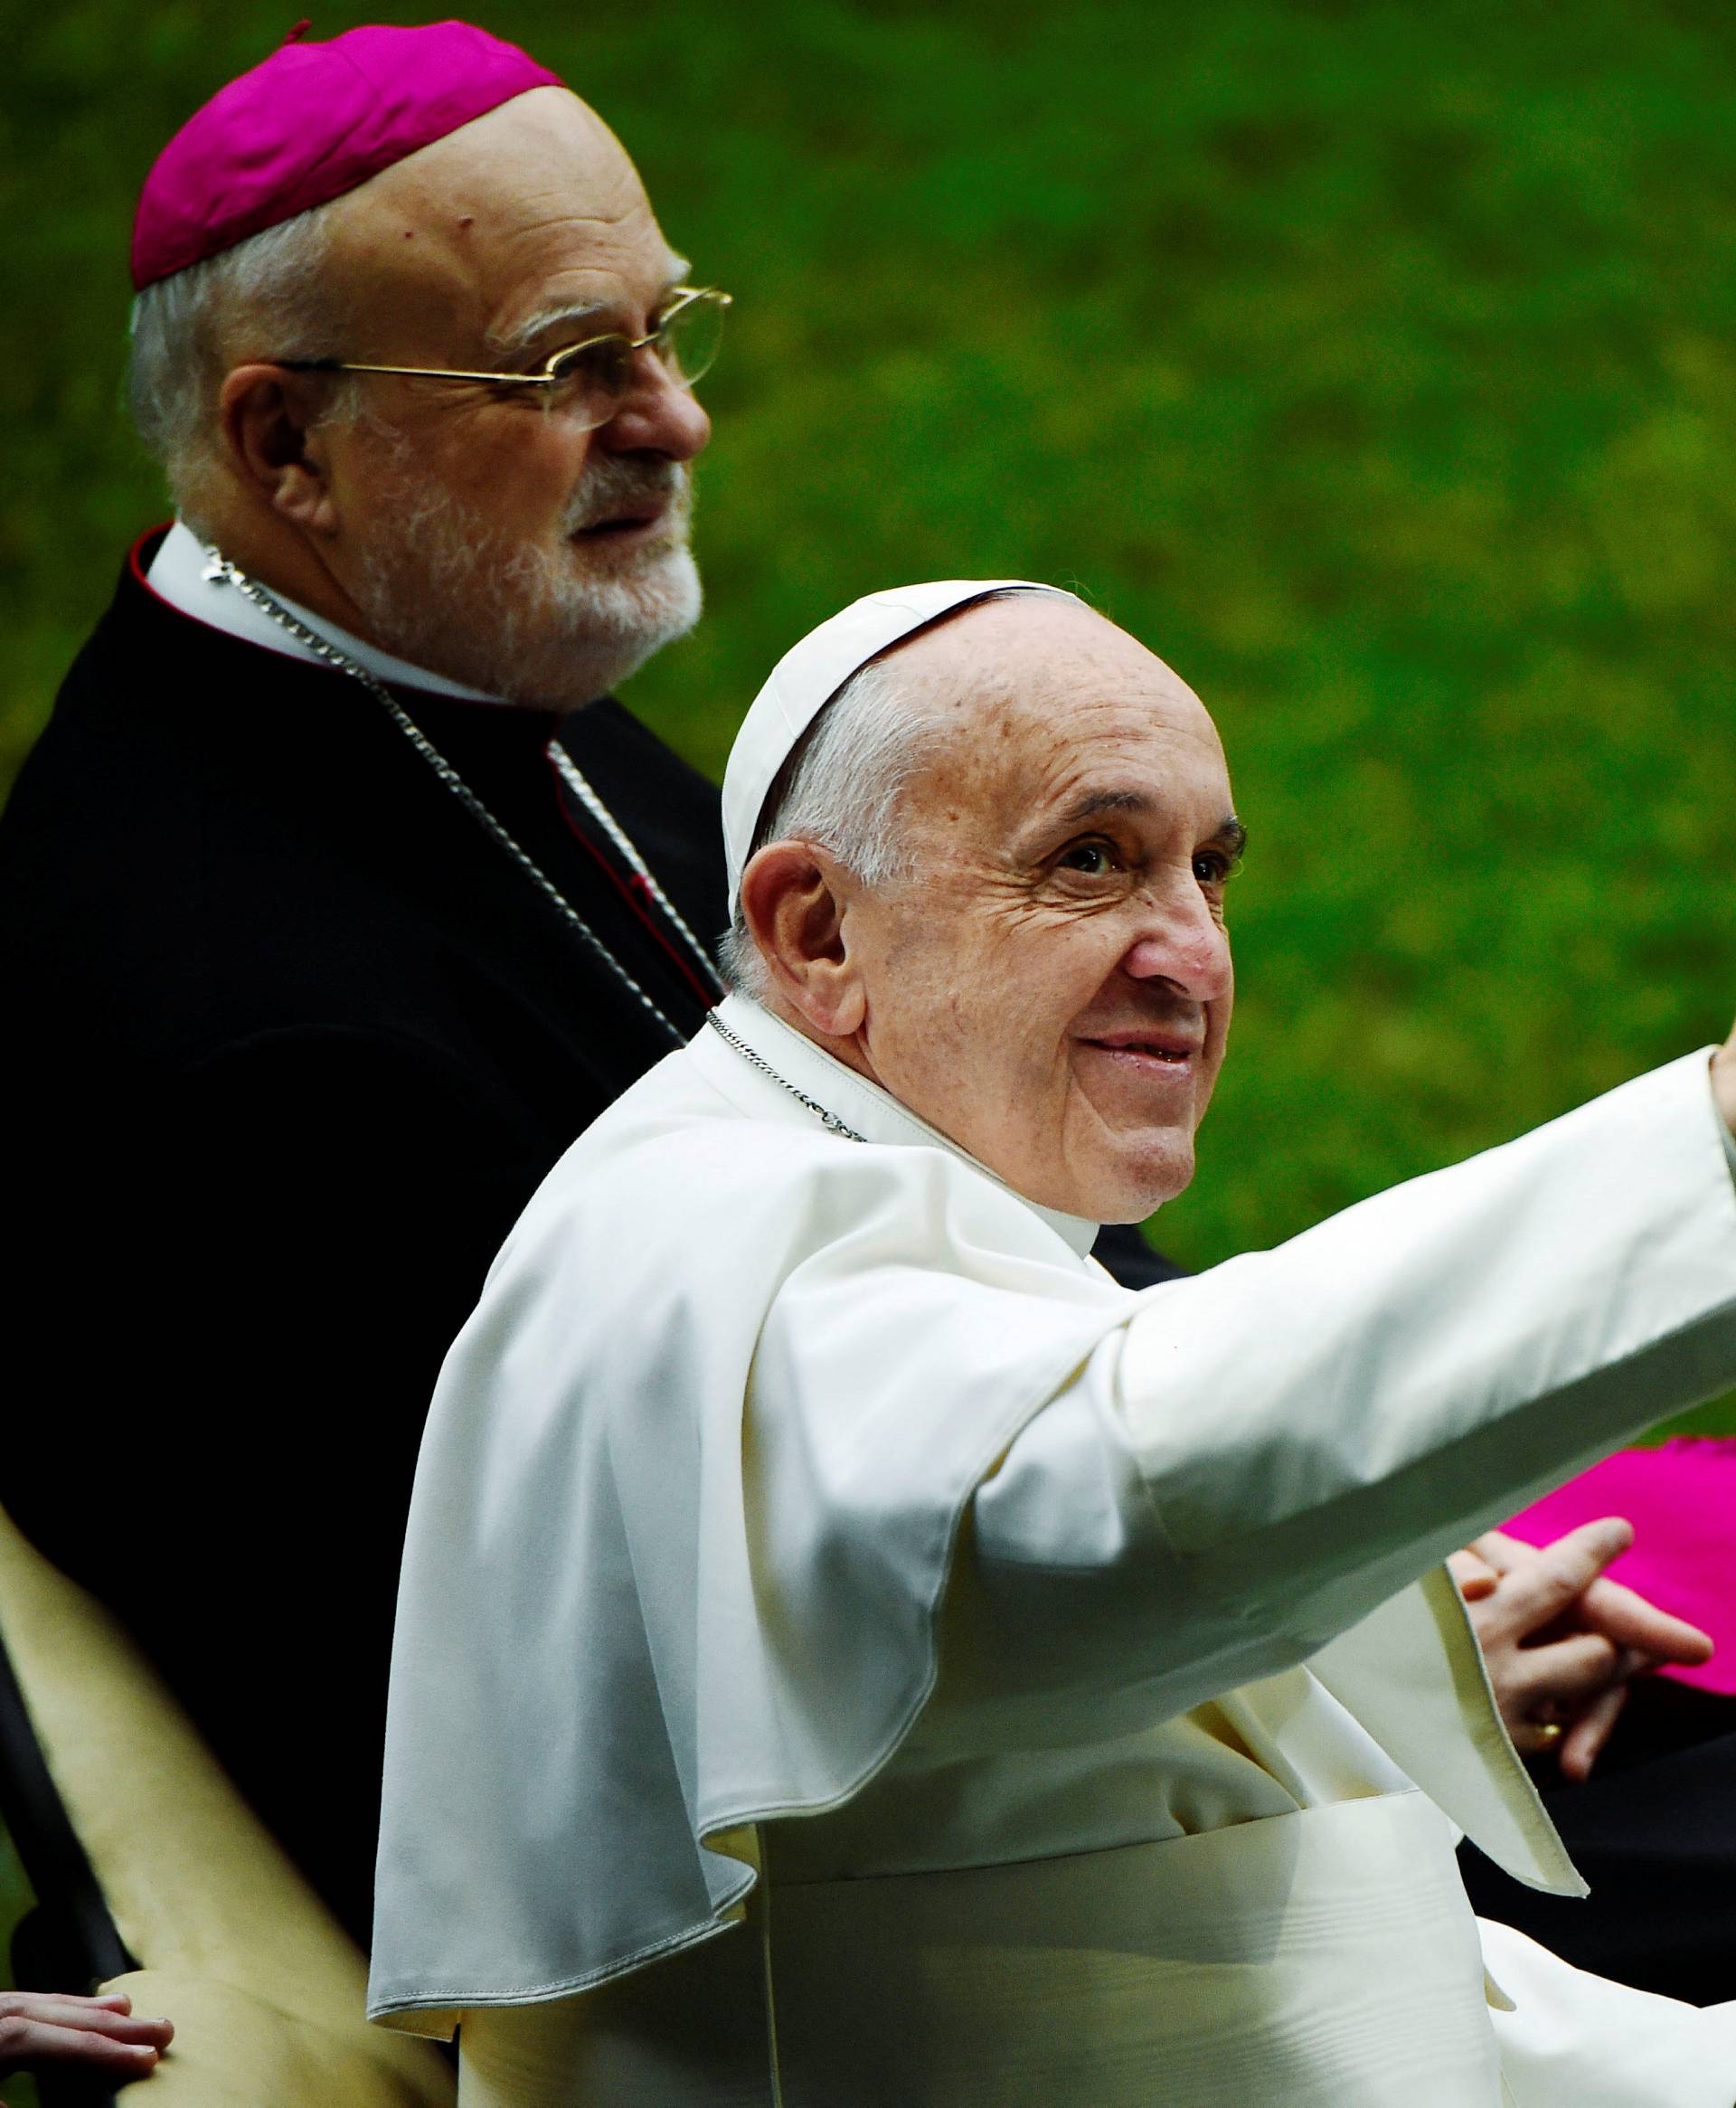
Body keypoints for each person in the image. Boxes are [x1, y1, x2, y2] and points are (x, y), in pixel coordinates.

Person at [370, 581, 1736, 2106]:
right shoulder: (722, 1250)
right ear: (816, 932)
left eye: (1209, 872)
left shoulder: (881, 1178)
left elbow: (1345, 1975)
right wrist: (1714, 1157)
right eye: (1091, 861)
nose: (1193, 958)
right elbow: (1103, 1498)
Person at [0, 21, 731, 1951]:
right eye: (575, 366)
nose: (674, 419)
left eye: (667, 331)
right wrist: (1290, 1655)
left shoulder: (459, 653)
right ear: (284, 445)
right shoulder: (245, 1051)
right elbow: (561, 1745)